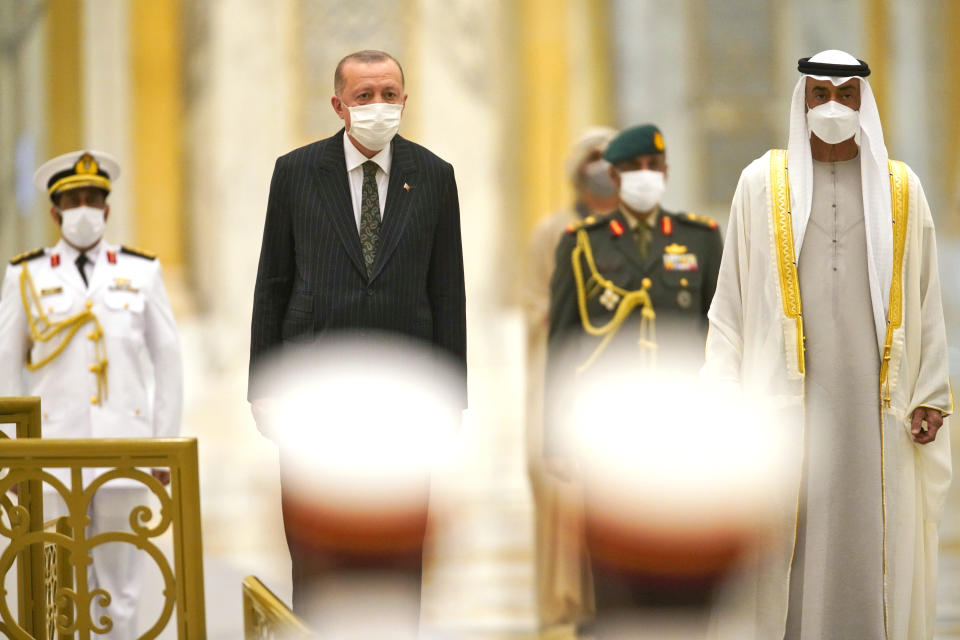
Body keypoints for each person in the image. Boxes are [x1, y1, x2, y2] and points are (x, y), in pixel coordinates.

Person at [704, 50, 952, 639]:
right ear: (803, 101)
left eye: (846, 96)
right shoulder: (762, 184)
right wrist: (720, 392)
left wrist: (931, 393)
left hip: (875, 409)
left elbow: (925, 299)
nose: (833, 107)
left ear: (865, 103)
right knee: (783, 533)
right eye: (820, 95)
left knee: (870, 533)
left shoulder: (900, 188)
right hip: (781, 402)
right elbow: (731, 300)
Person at [248, 49, 467, 612]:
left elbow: (447, 290)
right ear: (338, 104)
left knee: (399, 541)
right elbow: (273, 280)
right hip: (312, 390)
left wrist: (451, 394)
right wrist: (263, 387)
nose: (377, 106)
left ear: (405, 99)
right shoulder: (295, 172)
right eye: (364, 96)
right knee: (314, 539)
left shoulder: (435, 176)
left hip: (405, 391)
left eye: (388, 94)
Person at [0, 149, 182, 639]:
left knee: (120, 587)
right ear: (55, 211)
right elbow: (5, 367)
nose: (85, 208)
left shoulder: (141, 272)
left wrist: (163, 442)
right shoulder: (26, 275)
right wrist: (12, 454)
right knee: (56, 582)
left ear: (107, 207)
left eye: (94, 198)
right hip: (51, 451)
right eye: (74, 199)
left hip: (124, 447)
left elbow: (167, 360)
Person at [544, 124, 723, 620]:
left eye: (653, 167)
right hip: (611, 420)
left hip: (685, 417)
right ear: (615, 176)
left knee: (684, 540)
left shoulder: (701, 238)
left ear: (665, 172)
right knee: (610, 547)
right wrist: (554, 435)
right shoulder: (582, 243)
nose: (645, 176)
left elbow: (723, 334)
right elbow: (562, 341)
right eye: (633, 169)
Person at [523, 126, 619, 632]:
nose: (603, 169)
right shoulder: (552, 232)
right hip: (560, 383)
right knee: (561, 496)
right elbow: (535, 306)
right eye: (594, 159)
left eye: (611, 160)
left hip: (618, 387)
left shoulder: (638, 233)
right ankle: (560, 611)